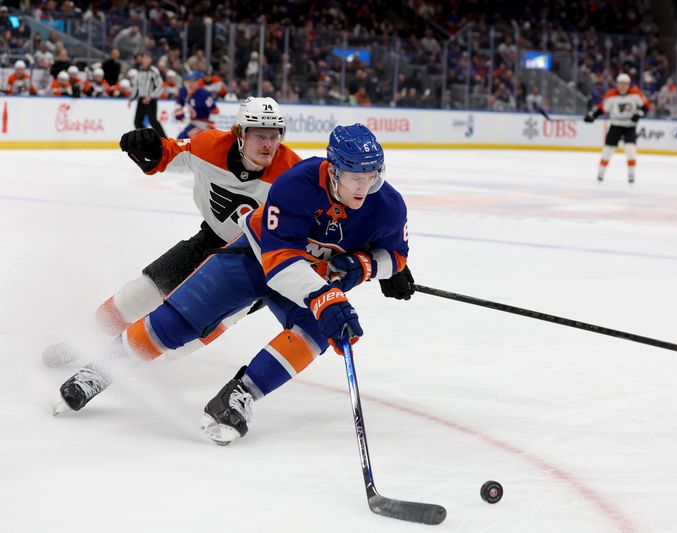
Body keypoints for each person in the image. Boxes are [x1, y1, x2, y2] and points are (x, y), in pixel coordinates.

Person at [54, 124, 412, 447]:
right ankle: (100, 369)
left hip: (309, 275)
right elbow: (280, 262)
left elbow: (396, 256)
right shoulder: (297, 183)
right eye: (355, 178)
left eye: (372, 176)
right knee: (180, 321)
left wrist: (365, 265)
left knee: (319, 330)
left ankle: (239, 396)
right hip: (256, 259)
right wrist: (325, 296)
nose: (365, 187)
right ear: (334, 170)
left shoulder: (389, 206)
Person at [43, 97, 301, 368]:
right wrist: (150, 147)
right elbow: (164, 155)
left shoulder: (293, 172)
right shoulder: (208, 146)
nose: (268, 144)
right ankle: (82, 339)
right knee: (138, 294)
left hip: (254, 264)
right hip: (209, 241)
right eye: (260, 134)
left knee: (188, 334)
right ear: (240, 133)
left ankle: (118, 364)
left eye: (275, 135)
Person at [584, 73, 651, 184]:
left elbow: (646, 106)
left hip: (630, 127)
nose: (623, 86)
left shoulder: (635, 93)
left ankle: (631, 175)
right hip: (615, 125)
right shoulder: (611, 95)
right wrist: (593, 116)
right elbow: (602, 108)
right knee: (607, 151)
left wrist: (639, 113)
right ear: (617, 85)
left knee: (631, 151)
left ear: (629, 85)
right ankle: (600, 174)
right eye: (620, 84)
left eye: (625, 84)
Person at [129, 53, 166, 138]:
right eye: (144, 59)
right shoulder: (140, 71)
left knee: (153, 121)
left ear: (150, 60)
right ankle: (144, 139)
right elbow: (136, 86)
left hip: (150, 100)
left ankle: (165, 139)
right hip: (141, 99)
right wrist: (131, 98)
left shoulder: (153, 71)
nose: (145, 60)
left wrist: (151, 96)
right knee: (137, 121)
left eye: (147, 59)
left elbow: (160, 86)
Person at [175, 69, 219, 139]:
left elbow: (215, 110)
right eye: (188, 81)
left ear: (197, 82)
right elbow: (179, 103)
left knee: (183, 138)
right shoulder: (183, 91)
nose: (190, 84)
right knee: (182, 139)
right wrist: (178, 113)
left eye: (193, 81)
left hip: (203, 124)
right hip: (192, 123)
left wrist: (211, 125)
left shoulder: (203, 94)